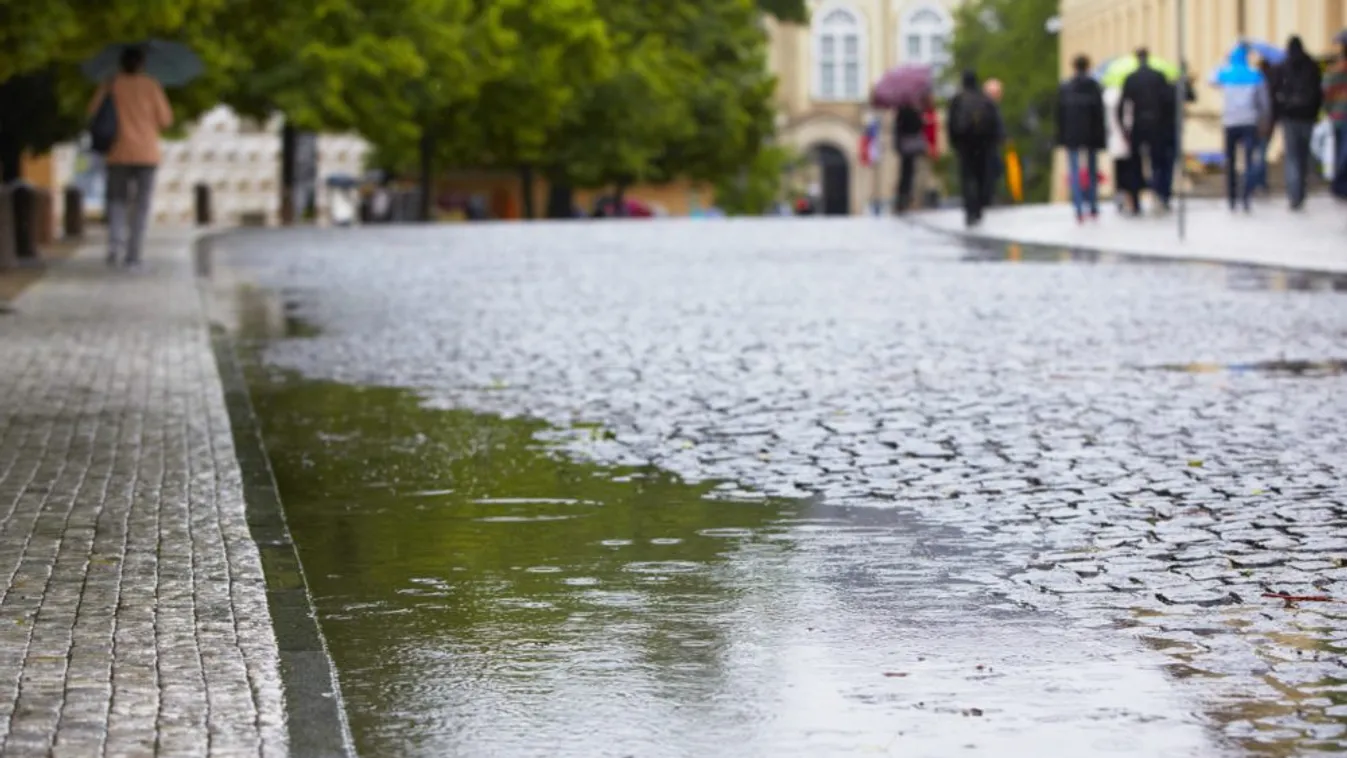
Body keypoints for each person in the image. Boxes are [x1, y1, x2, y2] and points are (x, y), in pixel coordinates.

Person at [87, 46, 172, 268]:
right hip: (147, 154)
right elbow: (165, 120)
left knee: (116, 201)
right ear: (142, 64)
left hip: (117, 152)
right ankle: (134, 255)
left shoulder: (110, 84)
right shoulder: (151, 85)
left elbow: (92, 113)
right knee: (141, 205)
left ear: (120, 63)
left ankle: (115, 247)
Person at [1211, 42, 1271, 212]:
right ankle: (1246, 195)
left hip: (1230, 123)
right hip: (1250, 122)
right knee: (1249, 160)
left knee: (1230, 161)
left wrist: (1223, 62)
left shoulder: (1226, 73)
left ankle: (1231, 197)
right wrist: (1264, 121)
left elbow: (1211, 79)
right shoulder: (1255, 74)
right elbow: (1264, 103)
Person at [1119, 48, 1176, 211]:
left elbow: (1123, 104)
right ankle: (1159, 195)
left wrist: (1123, 127)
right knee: (1157, 162)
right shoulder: (1159, 76)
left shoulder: (1131, 78)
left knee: (1136, 164)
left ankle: (1136, 202)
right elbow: (1167, 102)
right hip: (1157, 125)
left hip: (1138, 124)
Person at [1273, 36, 1324, 209]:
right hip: (1308, 116)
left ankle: (1294, 195)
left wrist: (1277, 114)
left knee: (1292, 156)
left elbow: (1275, 91)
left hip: (1289, 117)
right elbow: (1319, 92)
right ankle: (1301, 191)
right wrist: (1316, 113)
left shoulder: (1283, 66)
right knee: (1303, 155)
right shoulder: (1312, 66)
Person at [946, 70, 1001, 227]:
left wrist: (954, 143)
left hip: (964, 144)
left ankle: (970, 209)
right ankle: (979, 207)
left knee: (967, 178)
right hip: (983, 144)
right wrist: (993, 142)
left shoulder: (958, 100)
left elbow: (951, 124)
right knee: (981, 176)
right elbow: (994, 123)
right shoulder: (984, 99)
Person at [1057, 54, 1107, 221]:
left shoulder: (1066, 87)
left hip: (1072, 134)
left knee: (1075, 170)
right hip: (1091, 134)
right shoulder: (1094, 86)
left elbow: (1060, 115)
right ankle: (1092, 205)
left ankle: (1078, 207)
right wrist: (1101, 137)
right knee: (1092, 170)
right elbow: (1100, 114)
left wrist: (1061, 137)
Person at [893, 96, 930, 213]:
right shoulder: (915, 112)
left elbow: (897, 130)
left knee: (905, 172)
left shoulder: (901, 113)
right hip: (912, 146)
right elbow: (919, 127)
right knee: (910, 172)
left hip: (904, 146)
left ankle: (903, 198)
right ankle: (907, 197)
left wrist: (897, 145)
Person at [1325, 31, 1347, 199]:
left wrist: (1328, 110)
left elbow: (1326, 93)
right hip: (1341, 116)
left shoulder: (1334, 70)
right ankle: (1339, 183)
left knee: (1340, 150)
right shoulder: (1337, 70)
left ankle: (1339, 183)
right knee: (1342, 152)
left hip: (1337, 116)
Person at [982, 78, 1006, 207]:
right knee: (992, 171)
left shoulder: (982, 105)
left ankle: (987, 197)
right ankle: (987, 197)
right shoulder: (991, 107)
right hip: (989, 145)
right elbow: (998, 125)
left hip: (984, 145)